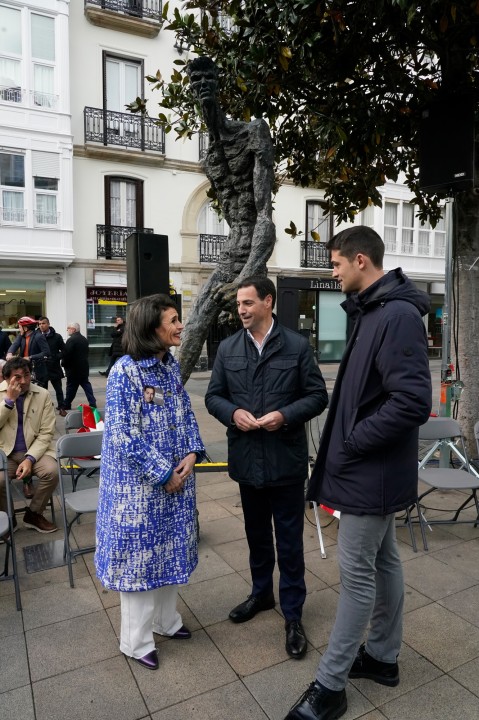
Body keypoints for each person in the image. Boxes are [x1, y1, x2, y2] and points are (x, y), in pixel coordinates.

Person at [285, 226, 432, 720]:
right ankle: (384, 658)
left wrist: (353, 441)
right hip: (368, 470)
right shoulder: (374, 309)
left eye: (336, 263)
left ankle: (330, 686)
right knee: (384, 562)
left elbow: (412, 401)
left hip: (370, 471)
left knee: (356, 578)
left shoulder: (396, 315)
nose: (333, 272)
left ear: (361, 260)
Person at [205, 276, 328, 660]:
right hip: (247, 461)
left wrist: (285, 415)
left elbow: (318, 396)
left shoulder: (296, 345)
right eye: (238, 304)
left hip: (286, 462)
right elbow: (213, 396)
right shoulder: (228, 348)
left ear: (268, 302)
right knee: (257, 536)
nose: (240, 310)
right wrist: (233, 413)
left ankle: (293, 614)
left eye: (247, 303)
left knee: (289, 543)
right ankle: (261, 595)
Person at [95, 293, 205, 671]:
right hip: (139, 492)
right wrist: (163, 474)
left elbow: (184, 412)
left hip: (175, 483)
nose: (180, 326)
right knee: (139, 564)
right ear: (150, 328)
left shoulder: (169, 365)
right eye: (173, 320)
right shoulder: (125, 372)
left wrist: (192, 451)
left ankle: (165, 621)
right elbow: (123, 435)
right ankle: (136, 641)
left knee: (169, 553)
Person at [178, 57, 277, 380]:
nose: (203, 84)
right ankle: (169, 400)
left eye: (208, 77)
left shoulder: (253, 132)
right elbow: (234, 219)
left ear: (218, 82)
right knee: (196, 322)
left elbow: (264, 217)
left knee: (260, 336)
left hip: (253, 253)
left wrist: (243, 282)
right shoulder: (211, 159)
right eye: (196, 80)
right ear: (192, 90)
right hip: (231, 252)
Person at [0, 357, 58, 532]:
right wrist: (9, 401)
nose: (24, 381)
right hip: (5, 453)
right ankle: (8, 518)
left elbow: (47, 432)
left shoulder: (42, 394)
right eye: (17, 377)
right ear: (6, 378)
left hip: (35, 451)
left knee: (52, 471)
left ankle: (34, 514)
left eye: (27, 374)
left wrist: (30, 459)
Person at [60, 323, 97, 411]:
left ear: (73, 329)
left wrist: (63, 363)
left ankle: (67, 404)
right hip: (83, 367)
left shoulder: (71, 340)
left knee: (71, 387)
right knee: (86, 385)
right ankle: (92, 402)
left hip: (73, 369)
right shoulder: (84, 339)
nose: (67, 330)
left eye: (68, 328)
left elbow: (67, 354)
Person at [6, 316, 50, 389]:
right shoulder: (21, 336)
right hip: (25, 368)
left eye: (20, 327)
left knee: (39, 392)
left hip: (37, 370)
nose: (19, 329)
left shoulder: (38, 336)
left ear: (25, 328)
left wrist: (30, 357)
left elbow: (46, 352)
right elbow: (15, 344)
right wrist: (10, 353)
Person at [38, 316, 67, 416]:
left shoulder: (57, 336)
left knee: (58, 389)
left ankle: (62, 407)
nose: (41, 326)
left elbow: (64, 351)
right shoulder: (37, 336)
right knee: (43, 391)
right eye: (39, 324)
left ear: (48, 324)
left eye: (43, 323)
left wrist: (55, 357)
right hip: (42, 367)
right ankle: (45, 409)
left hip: (54, 367)